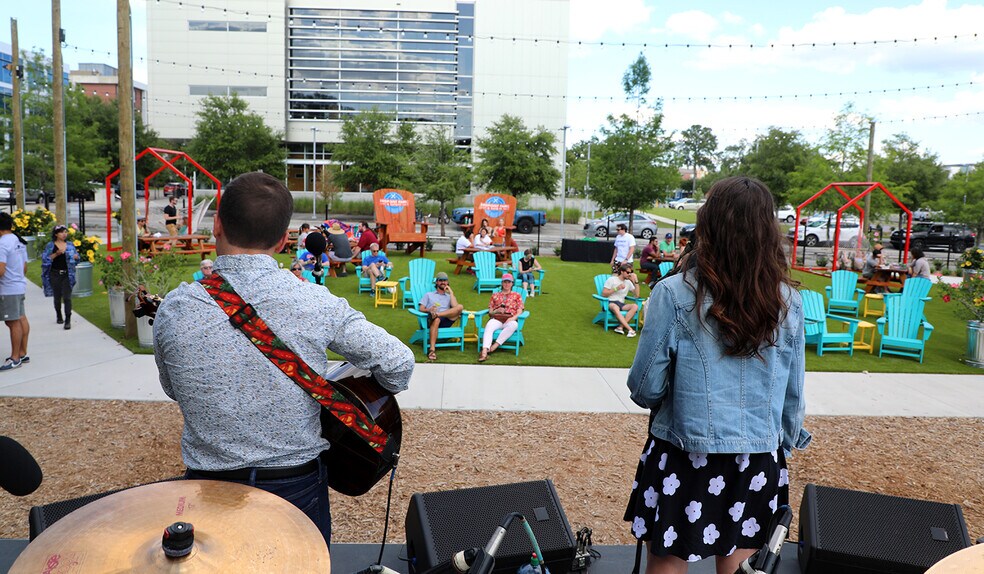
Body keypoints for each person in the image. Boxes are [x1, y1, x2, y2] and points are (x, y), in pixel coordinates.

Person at [153, 172, 414, 546]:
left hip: (208, 486)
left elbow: (172, 389)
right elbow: (398, 364)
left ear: (217, 225)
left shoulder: (175, 308)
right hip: (294, 486)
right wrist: (361, 396)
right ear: (282, 240)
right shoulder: (315, 302)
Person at [623, 176, 810, 574]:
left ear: (708, 223)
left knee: (668, 562)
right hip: (757, 458)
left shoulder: (674, 293)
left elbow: (644, 388)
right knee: (742, 567)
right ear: (767, 229)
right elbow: (793, 395)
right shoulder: (788, 301)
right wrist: (781, 445)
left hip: (684, 455)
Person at [0, 213, 30, 371]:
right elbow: (24, 267)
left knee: (12, 322)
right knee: (20, 318)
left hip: (8, 288)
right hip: (19, 286)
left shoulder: (2, 244)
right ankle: (22, 353)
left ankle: (15, 358)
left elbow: (1, 270)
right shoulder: (19, 241)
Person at [40, 225, 80, 330]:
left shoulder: (70, 245)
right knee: (57, 297)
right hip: (55, 274)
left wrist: (76, 257)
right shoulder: (50, 246)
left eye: (65, 232)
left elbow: (77, 259)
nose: (64, 234)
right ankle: (59, 314)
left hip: (67, 274)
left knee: (67, 297)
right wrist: (56, 254)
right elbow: (45, 259)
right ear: (56, 234)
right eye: (62, 232)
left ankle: (68, 320)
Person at [417, 271, 463, 362]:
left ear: (447, 282)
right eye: (440, 280)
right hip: (432, 320)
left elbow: (456, 307)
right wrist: (429, 310)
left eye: (445, 280)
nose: (443, 282)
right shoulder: (429, 295)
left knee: (460, 307)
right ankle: (432, 350)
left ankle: (437, 315)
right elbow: (421, 308)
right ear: (437, 282)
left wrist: (451, 292)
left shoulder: (449, 296)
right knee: (437, 320)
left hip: (445, 318)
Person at [478, 273, 524, 362]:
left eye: (509, 282)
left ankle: (494, 346)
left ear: (512, 283)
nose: (507, 284)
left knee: (514, 325)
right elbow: (490, 312)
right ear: (502, 283)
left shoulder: (517, 295)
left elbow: (520, 311)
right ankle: (484, 352)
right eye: (505, 282)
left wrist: (513, 318)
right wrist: (496, 311)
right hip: (497, 319)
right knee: (489, 325)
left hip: (510, 318)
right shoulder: (495, 295)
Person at [603, 262, 639, 337]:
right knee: (615, 307)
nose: (629, 274)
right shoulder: (612, 279)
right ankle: (630, 329)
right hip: (610, 302)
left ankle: (620, 327)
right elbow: (604, 294)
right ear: (622, 272)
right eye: (628, 272)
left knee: (635, 306)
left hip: (621, 304)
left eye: (631, 273)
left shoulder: (628, 282)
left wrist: (636, 281)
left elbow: (637, 295)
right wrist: (616, 288)